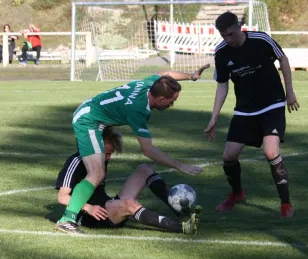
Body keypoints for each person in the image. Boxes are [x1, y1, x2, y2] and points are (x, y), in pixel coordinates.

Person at [55, 65, 210, 234]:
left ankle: (179, 211)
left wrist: (191, 76)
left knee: (143, 170)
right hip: (88, 121)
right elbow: (148, 150)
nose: (172, 105)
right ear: (160, 100)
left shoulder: (149, 85)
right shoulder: (138, 110)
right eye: (171, 101)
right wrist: (179, 165)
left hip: (92, 114)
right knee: (96, 173)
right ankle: (67, 220)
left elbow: (164, 74)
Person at [203, 11, 299, 218]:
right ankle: (237, 194)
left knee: (271, 152)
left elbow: (283, 59)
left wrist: (289, 92)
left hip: (271, 104)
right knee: (228, 156)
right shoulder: (221, 52)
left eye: (231, 34)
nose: (228, 39)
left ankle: (285, 204)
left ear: (239, 28)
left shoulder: (261, 39)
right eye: (224, 36)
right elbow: (222, 86)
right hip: (245, 109)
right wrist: (214, 118)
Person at [56, 127, 200, 235]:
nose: (108, 158)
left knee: (145, 169)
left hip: (107, 204)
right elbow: (62, 197)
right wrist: (89, 208)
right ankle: (181, 228)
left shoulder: (100, 158)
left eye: (110, 154)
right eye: (106, 154)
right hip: (92, 215)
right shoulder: (75, 162)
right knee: (130, 204)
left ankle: (179, 211)